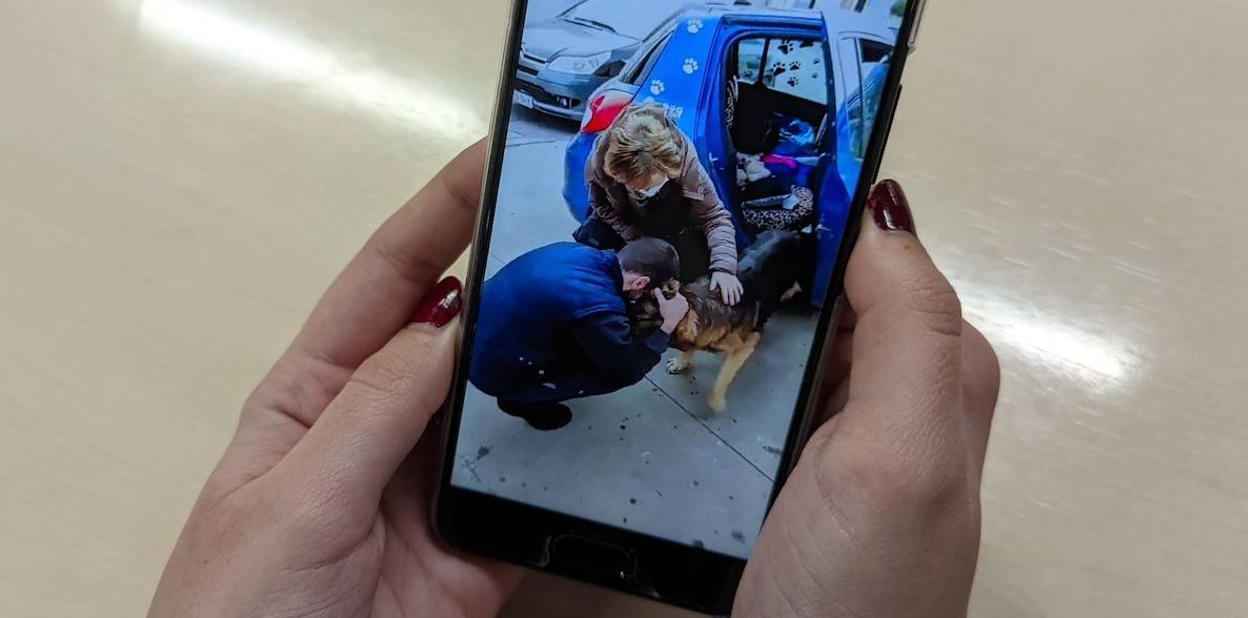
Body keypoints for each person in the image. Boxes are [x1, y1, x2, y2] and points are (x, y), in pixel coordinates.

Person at [147, 141, 999, 618]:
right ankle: (527, 392)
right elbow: (624, 365)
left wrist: (721, 273)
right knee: (591, 368)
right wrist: (664, 335)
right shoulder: (605, 269)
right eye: (623, 188)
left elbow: (701, 228)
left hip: (565, 297)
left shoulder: (668, 202)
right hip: (499, 360)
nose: (635, 190)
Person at [469, 237, 690, 431]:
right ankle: (521, 400)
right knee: (611, 373)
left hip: (475, 328)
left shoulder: (577, 251)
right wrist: (668, 325)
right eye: (648, 291)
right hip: (490, 370)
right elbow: (627, 369)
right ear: (641, 282)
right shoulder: (599, 306)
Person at [578, 105, 746, 305]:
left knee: (686, 274)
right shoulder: (599, 162)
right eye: (635, 187)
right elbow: (600, 205)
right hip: (627, 220)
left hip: (671, 223)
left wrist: (724, 268)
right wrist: (631, 236)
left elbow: (715, 217)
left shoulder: (687, 165)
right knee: (590, 254)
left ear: (670, 170)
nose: (643, 192)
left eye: (650, 186)